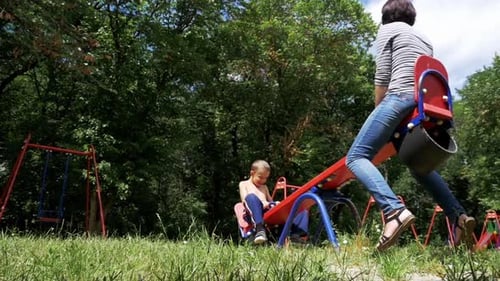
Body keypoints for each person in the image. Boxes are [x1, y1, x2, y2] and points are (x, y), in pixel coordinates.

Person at [345, 0, 475, 252]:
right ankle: (458, 217)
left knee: (356, 157)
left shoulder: (388, 30)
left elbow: (382, 76)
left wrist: (379, 116)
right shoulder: (425, 39)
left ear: (386, 16)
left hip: (399, 98)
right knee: (419, 166)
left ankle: (393, 211)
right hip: (425, 104)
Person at [239, 160, 309, 244]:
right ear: (252, 173)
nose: (263, 180)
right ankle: (260, 229)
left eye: (265, 178)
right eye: (260, 177)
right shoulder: (244, 184)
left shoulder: (264, 187)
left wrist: (276, 204)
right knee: (251, 197)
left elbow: (270, 201)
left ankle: (297, 234)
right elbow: (244, 200)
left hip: (267, 211)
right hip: (254, 212)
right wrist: (262, 203)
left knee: (299, 204)